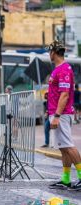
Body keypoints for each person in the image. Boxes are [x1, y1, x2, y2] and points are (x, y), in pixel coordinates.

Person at [46, 40, 81, 191]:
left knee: (68, 146)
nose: (49, 54)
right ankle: (65, 179)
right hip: (56, 112)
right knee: (63, 148)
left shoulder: (64, 69)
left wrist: (57, 116)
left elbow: (65, 94)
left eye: (49, 52)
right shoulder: (58, 69)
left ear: (53, 52)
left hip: (62, 114)